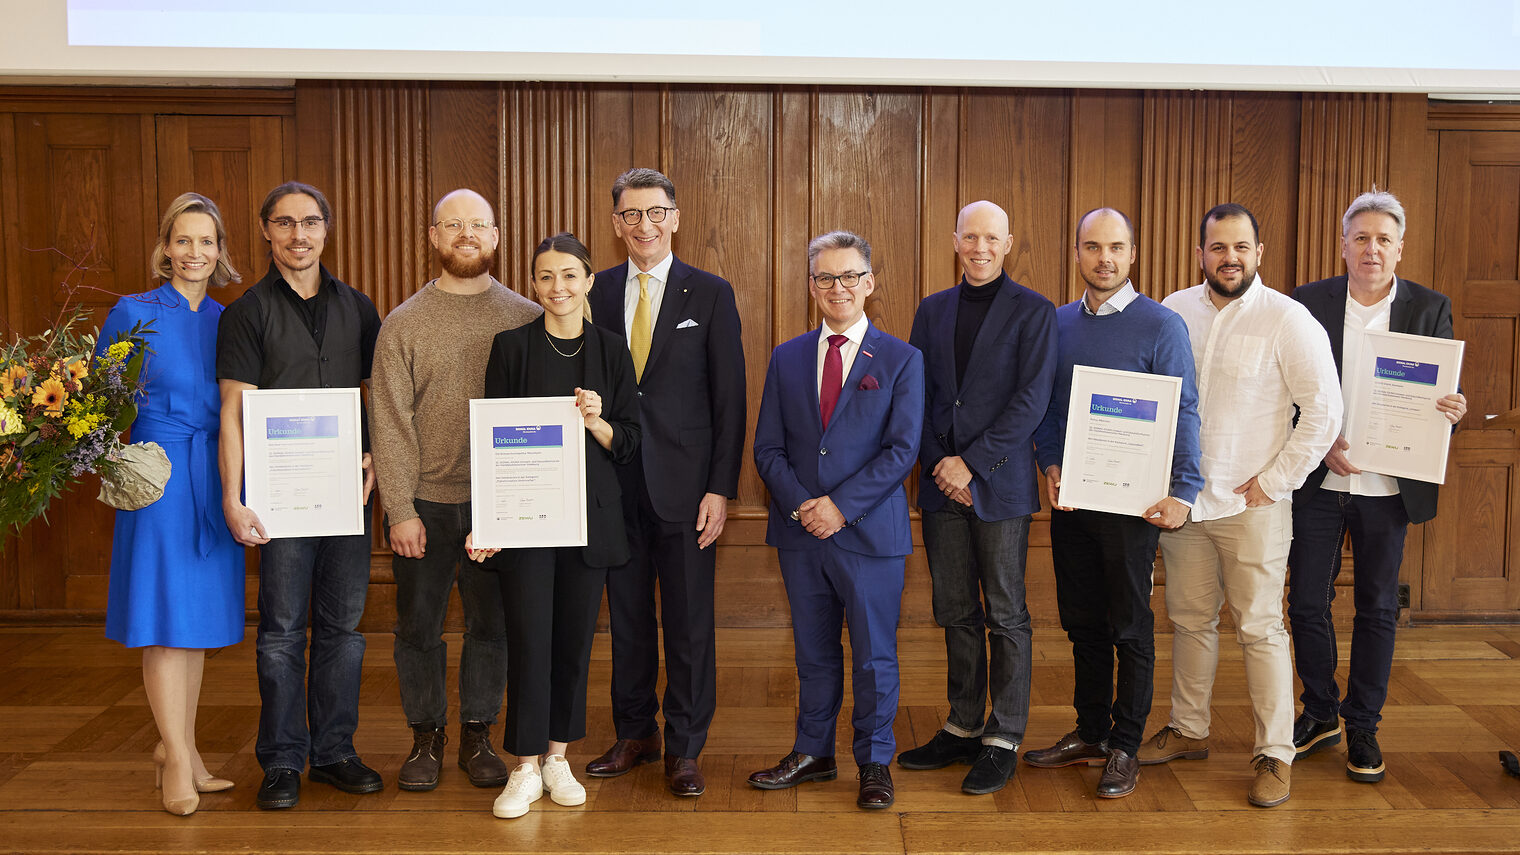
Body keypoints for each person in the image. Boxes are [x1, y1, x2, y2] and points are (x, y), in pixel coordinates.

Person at [1141, 203, 1342, 808]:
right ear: (1200, 253)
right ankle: (1189, 730)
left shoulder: (1289, 319)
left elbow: (1325, 412)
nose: (1230, 257)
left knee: (1260, 627)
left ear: (1259, 252)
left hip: (1252, 504)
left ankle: (1274, 752)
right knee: (1189, 619)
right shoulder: (1172, 311)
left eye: (1241, 247)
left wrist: (1275, 481)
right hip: (1184, 504)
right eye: (1218, 247)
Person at [1288, 189, 1467, 783]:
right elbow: (1282, 389)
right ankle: (1320, 711)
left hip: (1389, 484)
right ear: (1343, 245)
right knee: (1307, 602)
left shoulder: (1429, 307)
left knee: (1378, 607)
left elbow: (1435, 391)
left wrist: (1451, 407)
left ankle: (1362, 723)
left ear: (1399, 249)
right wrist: (1318, 442)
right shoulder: (1307, 303)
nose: (1371, 248)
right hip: (1320, 477)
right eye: (1360, 237)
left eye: (1383, 239)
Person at [216, 181, 383, 810]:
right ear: (265, 231)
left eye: (310, 222)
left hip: (346, 495)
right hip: (278, 500)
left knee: (343, 630)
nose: (298, 235)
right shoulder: (247, 313)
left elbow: (375, 400)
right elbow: (232, 411)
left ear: (326, 228)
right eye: (284, 224)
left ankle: (336, 752)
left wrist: (375, 457)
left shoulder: (358, 308)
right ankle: (283, 759)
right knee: (282, 630)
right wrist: (233, 499)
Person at [1025, 208, 1202, 798]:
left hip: (1136, 506)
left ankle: (1126, 745)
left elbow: (1185, 411)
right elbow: (1046, 409)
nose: (1105, 257)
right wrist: (1050, 465)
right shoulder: (1056, 323)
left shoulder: (1162, 325)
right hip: (1073, 501)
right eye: (1093, 246)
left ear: (1132, 255)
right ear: (1076, 253)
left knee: (1129, 625)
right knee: (1081, 621)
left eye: (1117, 247)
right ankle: (1091, 731)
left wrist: (1184, 490)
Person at [370, 189, 541, 792]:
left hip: (503, 504)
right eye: (453, 225)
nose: (466, 234)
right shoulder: (403, 323)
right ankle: (426, 738)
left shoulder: (527, 315)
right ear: (434, 237)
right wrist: (400, 509)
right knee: (418, 628)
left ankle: (476, 734)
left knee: (492, 627)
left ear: (496, 237)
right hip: (426, 504)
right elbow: (390, 421)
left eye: (479, 225)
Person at [468, 232, 641, 820]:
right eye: (546, 277)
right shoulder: (510, 346)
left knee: (571, 642)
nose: (558, 287)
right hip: (524, 523)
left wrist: (597, 422)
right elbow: (490, 438)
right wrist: (485, 518)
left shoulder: (612, 350)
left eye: (570, 275)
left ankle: (559, 757)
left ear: (590, 281)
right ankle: (524, 764)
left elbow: (631, 441)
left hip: (589, 521)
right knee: (529, 639)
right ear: (534, 284)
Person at [585, 168, 745, 797]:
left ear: (675, 217)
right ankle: (635, 733)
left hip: (687, 489)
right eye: (630, 214)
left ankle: (683, 745)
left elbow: (729, 399)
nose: (643, 225)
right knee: (625, 621)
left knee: (686, 623)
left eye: (655, 212)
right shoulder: (592, 292)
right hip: (613, 486)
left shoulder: (709, 293)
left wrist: (720, 488)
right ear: (617, 221)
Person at [749, 230, 923, 810]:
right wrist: (804, 505)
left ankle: (874, 761)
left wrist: (840, 507)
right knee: (813, 652)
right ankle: (813, 751)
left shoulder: (900, 359)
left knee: (875, 656)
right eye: (826, 278)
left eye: (850, 276)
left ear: (870, 283)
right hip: (801, 534)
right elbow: (768, 450)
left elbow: (902, 451)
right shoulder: (787, 356)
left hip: (869, 534)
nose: (838, 288)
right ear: (812, 286)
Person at [97, 192, 246, 816]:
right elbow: (98, 404)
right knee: (164, 623)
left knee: (196, 626)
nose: (194, 252)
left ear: (220, 251)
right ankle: (178, 760)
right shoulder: (132, 312)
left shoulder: (228, 320)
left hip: (215, 479)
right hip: (155, 481)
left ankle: (180, 748)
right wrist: (119, 465)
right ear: (165, 247)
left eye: (206, 241)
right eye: (182, 240)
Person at [899, 200, 1056, 795]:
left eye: (992, 238)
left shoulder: (1035, 312)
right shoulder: (932, 310)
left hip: (1000, 486)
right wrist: (941, 463)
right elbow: (917, 393)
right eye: (971, 237)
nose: (981, 248)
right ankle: (962, 725)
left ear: (1009, 243)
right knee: (956, 611)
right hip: (942, 485)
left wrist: (971, 464)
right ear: (955, 241)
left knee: (1007, 614)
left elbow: (1031, 399)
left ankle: (1003, 735)